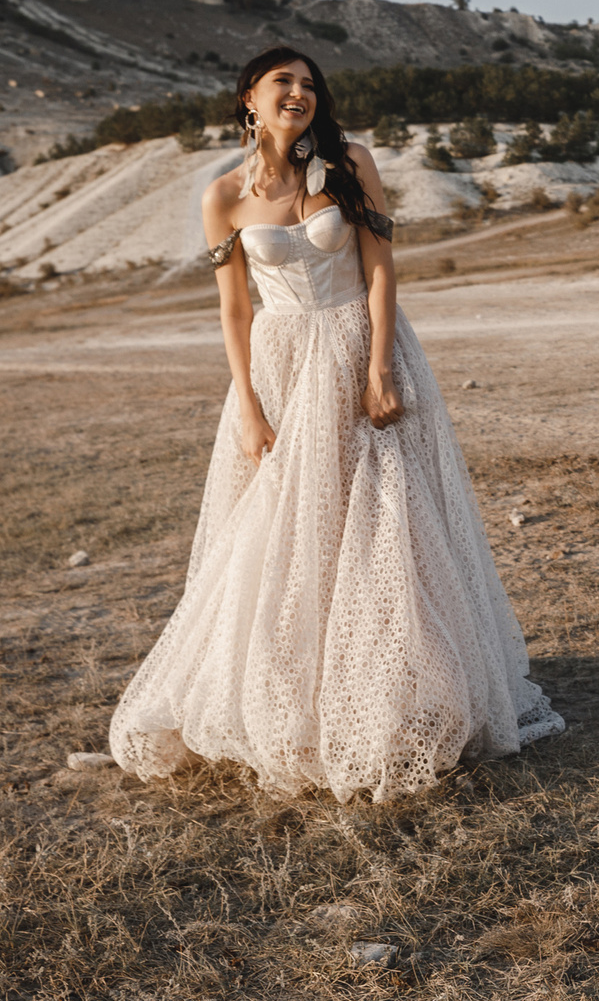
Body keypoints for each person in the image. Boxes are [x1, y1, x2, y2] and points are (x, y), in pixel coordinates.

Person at [109, 45, 563, 799]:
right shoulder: (221, 194)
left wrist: (380, 366)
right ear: (248, 98)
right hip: (282, 367)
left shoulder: (350, 161)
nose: (300, 93)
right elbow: (233, 307)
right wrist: (249, 407)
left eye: (310, 84)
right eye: (283, 82)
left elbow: (382, 266)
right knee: (292, 532)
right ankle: (296, 694)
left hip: (359, 347)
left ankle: (405, 692)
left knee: (388, 522)